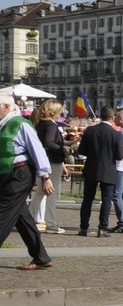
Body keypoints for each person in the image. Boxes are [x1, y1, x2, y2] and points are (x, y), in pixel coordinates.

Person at [0, 89, 55, 270]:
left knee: (4, 213)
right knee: (20, 216)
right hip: (6, 174)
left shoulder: (21, 124)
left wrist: (45, 176)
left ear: (6, 107)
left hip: (20, 173)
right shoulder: (2, 124)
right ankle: (41, 257)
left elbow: (37, 150)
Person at [76, 106, 122, 238]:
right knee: (106, 200)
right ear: (113, 118)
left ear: (100, 116)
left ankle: (83, 228)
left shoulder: (90, 131)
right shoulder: (116, 134)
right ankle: (102, 228)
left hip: (91, 168)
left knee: (87, 200)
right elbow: (119, 156)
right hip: (108, 170)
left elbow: (81, 151)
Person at [30, 99, 67, 235]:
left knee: (40, 192)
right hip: (52, 161)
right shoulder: (51, 125)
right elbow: (49, 142)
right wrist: (62, 150)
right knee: (51, 193)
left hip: (42, 161)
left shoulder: (40, 124)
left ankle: (26, 218)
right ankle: (51, 224)